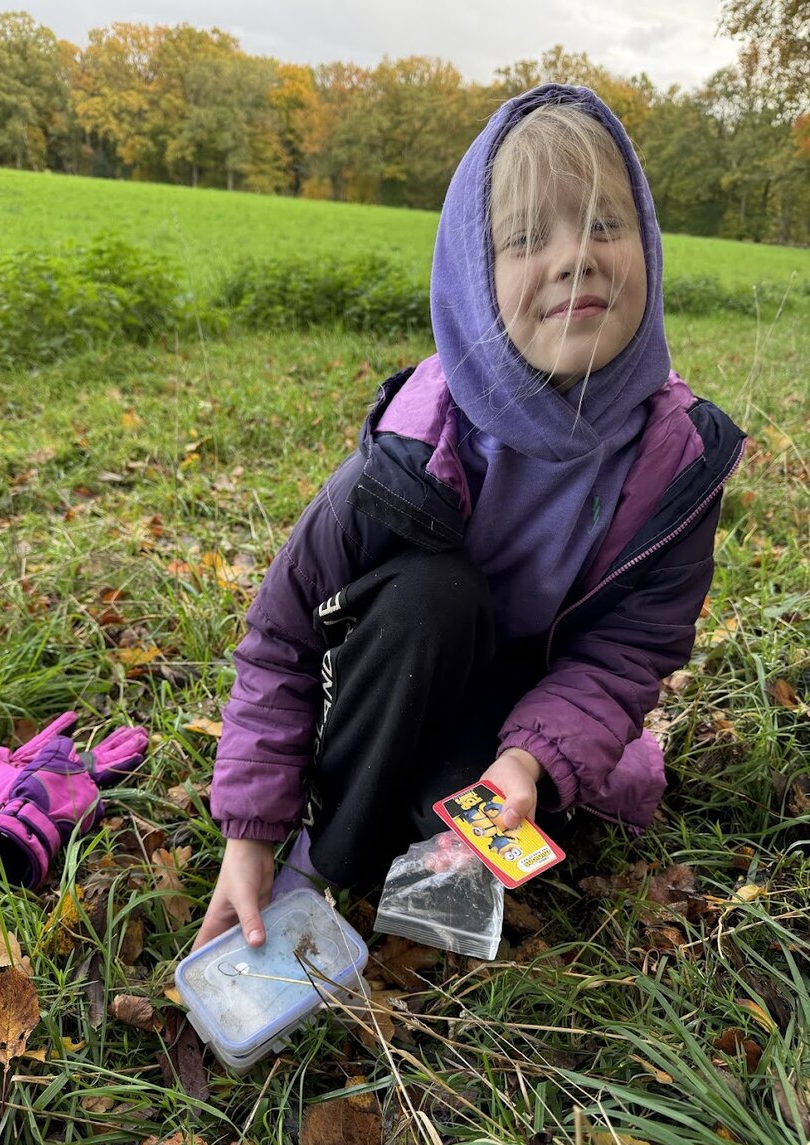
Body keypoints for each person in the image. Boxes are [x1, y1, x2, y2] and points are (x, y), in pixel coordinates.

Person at [193, 84, 745, 951]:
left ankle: (430, 810)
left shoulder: (678, 465)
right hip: (396, 668)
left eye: (605, 225)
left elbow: (626, 654)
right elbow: (281, 639)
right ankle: (325, 857)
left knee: (457, 831)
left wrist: (528, 760)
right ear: (472, 280)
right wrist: (251, 834)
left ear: (647, 241)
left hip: (522, 705)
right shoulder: (413, 448)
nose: (575, 258)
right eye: (526, 239)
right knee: (430, 593)